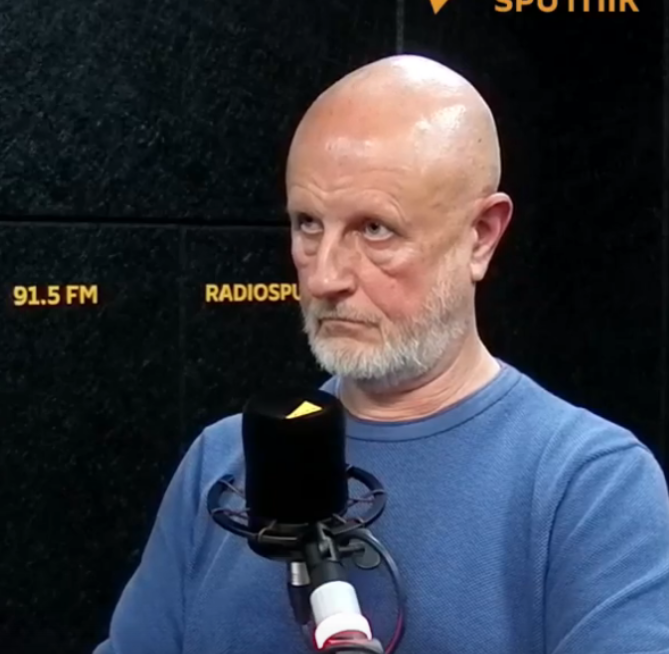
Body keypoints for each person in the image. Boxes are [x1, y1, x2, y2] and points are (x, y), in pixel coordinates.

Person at [94, 54, 669, 654]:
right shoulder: (221, 466)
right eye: (308, 224)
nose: (324, 277)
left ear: (481, 236)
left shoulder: (589, 486)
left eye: (374, 229)